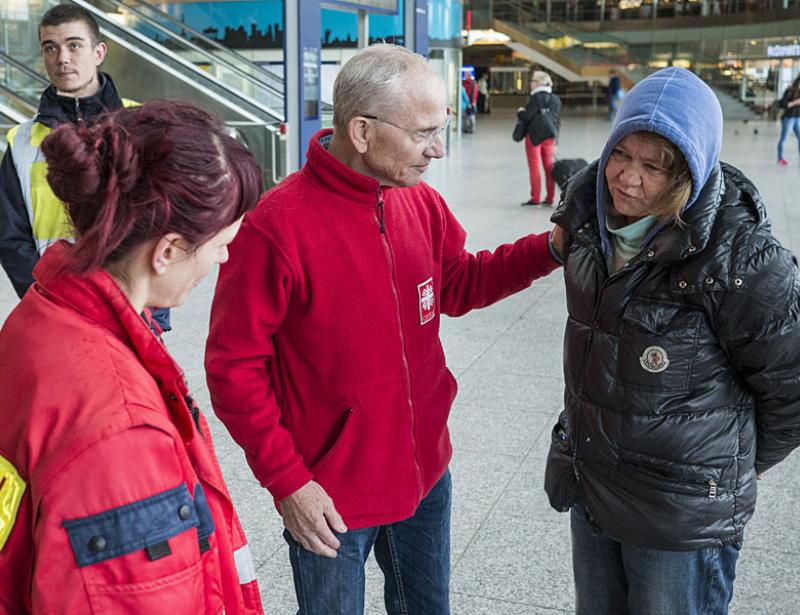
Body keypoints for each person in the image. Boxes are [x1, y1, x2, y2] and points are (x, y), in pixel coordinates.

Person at [205, 44, 564, 615]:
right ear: (363, 131)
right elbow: (232, 367)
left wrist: (550, 247)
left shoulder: (418, 202)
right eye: (423, 133)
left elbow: (459, 282)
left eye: (440, 130)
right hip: (330, 497)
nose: (438, 150)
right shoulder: (277, 227)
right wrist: (289, 482)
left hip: (426, 477)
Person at [544, 66, 800, 615]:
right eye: (621, 154)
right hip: (595, 484)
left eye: (654, 166)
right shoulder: (587, 227)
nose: (627, 178)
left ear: (690, 171)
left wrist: (733, 468)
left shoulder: (742, 262)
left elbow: (791, 388)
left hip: (679, 516)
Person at [0, 100, 265, 614]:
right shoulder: (121, 431)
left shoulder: (46, 313)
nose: (225, 257)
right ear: (166, 251)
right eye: (221, 244)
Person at [0, 4, 170, 330]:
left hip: (135, 307)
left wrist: (154, 312)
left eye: (74, 45)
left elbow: (164, 219)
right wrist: (47, 299)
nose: (62, 58)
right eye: (51, 47)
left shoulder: (141, 126)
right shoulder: (22, 142)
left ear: (99, 52)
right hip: (57, 308)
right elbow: (10, 237)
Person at [517, 70, 561, 207]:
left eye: (533, 80)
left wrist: (520, 112)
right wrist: (556, 140)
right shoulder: (555, 99)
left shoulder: (535, 98)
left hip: (534, 137)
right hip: (550, 136)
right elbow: (557, 120)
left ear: (539, 83)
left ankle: (535, 198)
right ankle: (550, 198)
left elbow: (527, 117)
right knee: (549, 167)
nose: (530, 83)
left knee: (534, 167)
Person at [776, 74, 800, 166]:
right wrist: (795, 102)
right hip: (789, 118)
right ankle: (780, 159)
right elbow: (782, 104)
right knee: (784, 138)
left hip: (798, 118)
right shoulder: (789, 91)